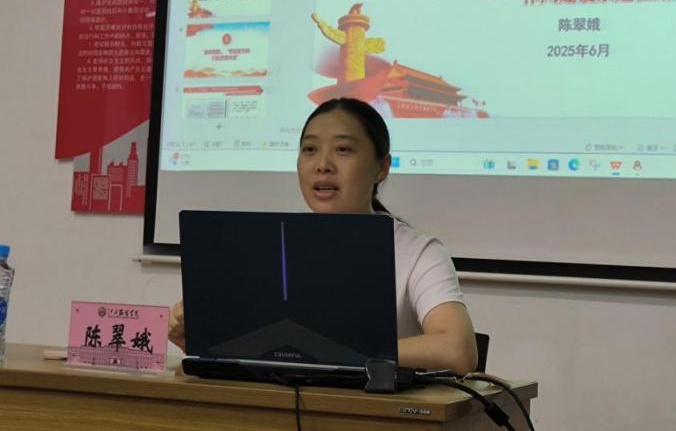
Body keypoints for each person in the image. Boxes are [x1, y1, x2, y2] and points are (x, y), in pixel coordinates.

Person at [168, 97, 478, 374]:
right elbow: (259, 353)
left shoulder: (417, 252)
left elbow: (457, 350)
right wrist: (202, 341)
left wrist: (335, 354)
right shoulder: (271, 250)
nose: (323, 165)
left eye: (343, 150)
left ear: (382, 166)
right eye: (310, 150)